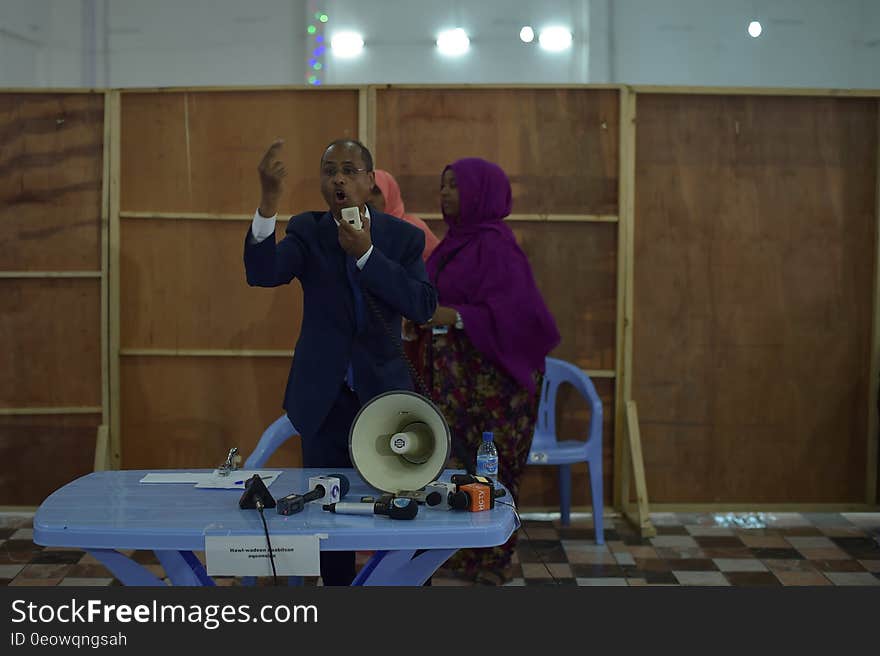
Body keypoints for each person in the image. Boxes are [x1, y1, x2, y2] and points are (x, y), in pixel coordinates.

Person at [244, 138, 437, 585]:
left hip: (385, 401)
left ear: (370, 181)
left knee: (402, 510)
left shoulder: (401, 238)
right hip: (325, 400)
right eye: (330, 170)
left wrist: (368, 255)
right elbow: (263, 272)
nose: (339, 179)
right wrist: (268, 204)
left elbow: (423, 305)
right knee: (328, 519)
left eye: (350, 170)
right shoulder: (308, 231)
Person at [408, 157, 560, 585]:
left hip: (496, 382)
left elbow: (520, 316)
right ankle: (461, 555)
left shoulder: (497, 246)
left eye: (455, 186)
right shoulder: (454, 244)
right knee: (457, 467)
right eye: (443, 186)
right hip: (458, 379)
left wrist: (454, 316)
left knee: (494, 472)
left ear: (481, 192)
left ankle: (493, 560)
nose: (445, 194)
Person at [369, 169, 440, 261]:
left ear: (390, 194)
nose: (369, 198)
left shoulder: (412, 227)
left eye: (376, 192)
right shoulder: (361, 230)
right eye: (367, 192)